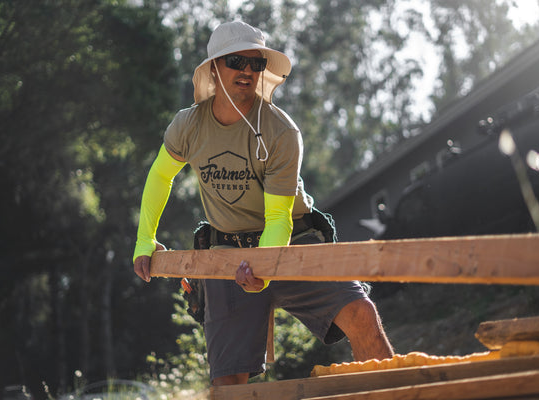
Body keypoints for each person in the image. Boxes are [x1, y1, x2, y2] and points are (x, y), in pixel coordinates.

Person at [133, 20, 394, 386]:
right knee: (228, 382)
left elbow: (278, 218)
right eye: (237, 61)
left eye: (256, 64)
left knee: (361, 313)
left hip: (293, 243)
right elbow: (161, 175)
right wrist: (145, 239)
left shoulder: (280, 132)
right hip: (227, 249)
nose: (247, 71)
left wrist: (264, 268)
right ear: (213, 68)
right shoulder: (187, 126)